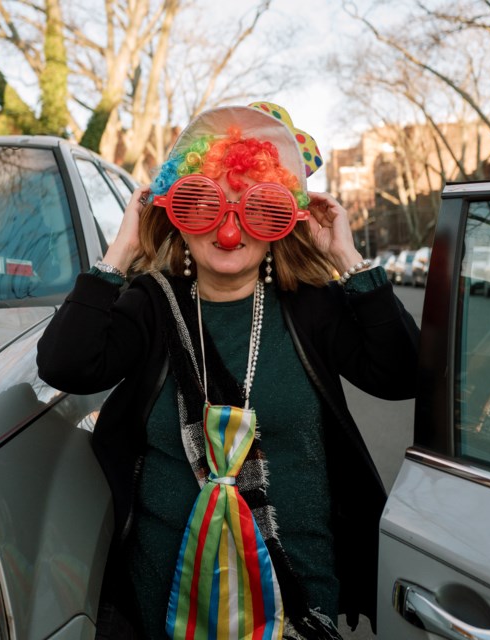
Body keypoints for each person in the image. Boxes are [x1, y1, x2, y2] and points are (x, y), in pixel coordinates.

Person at [37, 102, 420, 639]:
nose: (229, 231)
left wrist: (348, 258)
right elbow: (65, 365)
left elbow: (401, 373)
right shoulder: (150, 306)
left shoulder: (311, 306)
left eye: (259, 209)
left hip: (295, 596)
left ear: (285, 221)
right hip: (164, 599)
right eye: (203, 203)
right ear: (174, 212)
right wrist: (122, 248)